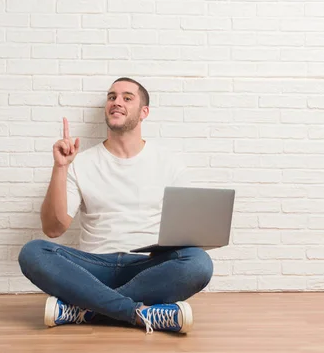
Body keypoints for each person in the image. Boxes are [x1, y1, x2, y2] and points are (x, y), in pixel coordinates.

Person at [18, 77, 213, 334]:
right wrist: (60, 167)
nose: (116, 102)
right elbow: (53, 229)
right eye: (112, 97)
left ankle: (84, 310)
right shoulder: (82, 162)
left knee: (198, 262)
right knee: (33, 252)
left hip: (146, 268)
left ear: (144, 112)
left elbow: (185, 233)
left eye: (126, 98)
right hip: (92, 268)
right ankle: (136, 313)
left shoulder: (169, 163)